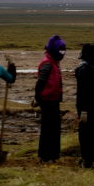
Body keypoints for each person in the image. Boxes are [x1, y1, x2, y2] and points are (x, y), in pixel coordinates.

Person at [35, 36, 67, 164]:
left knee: (54, 127)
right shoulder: (48, 63)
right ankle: (46, 156)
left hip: (53, 98)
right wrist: (37, 97)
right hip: (47, 99)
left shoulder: (53, 61)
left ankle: (53, 154)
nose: (62, 52)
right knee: (49, 128)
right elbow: (41, 81)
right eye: (60, 49)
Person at [75, 44, 94, 168]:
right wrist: (84, 110)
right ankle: (87, 159)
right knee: (88, 133)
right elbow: (83, 91)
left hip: (93, 107)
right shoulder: (84, 69)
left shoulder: (90, 67)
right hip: (87, 108)